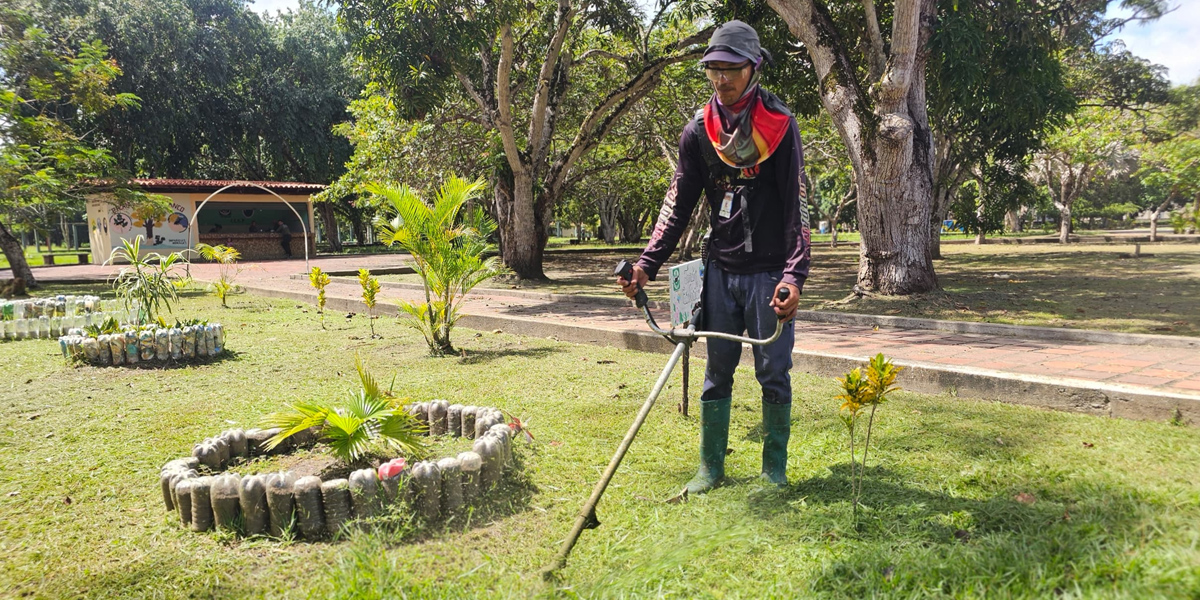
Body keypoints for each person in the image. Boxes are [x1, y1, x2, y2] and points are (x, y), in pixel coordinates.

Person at [616, 20, 810, 494]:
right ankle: (710, 469)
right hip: (721, 272)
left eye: (731, 69)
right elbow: (677, 206)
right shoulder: (698, 132)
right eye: (713, 70)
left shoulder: (780, 127)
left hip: (769, 274)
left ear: (754, 68)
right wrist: (645, 265)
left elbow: (796, 208)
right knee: (716, 370)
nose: (721, 80)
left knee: (773, 372)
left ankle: (773, 471)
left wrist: (793, 276)